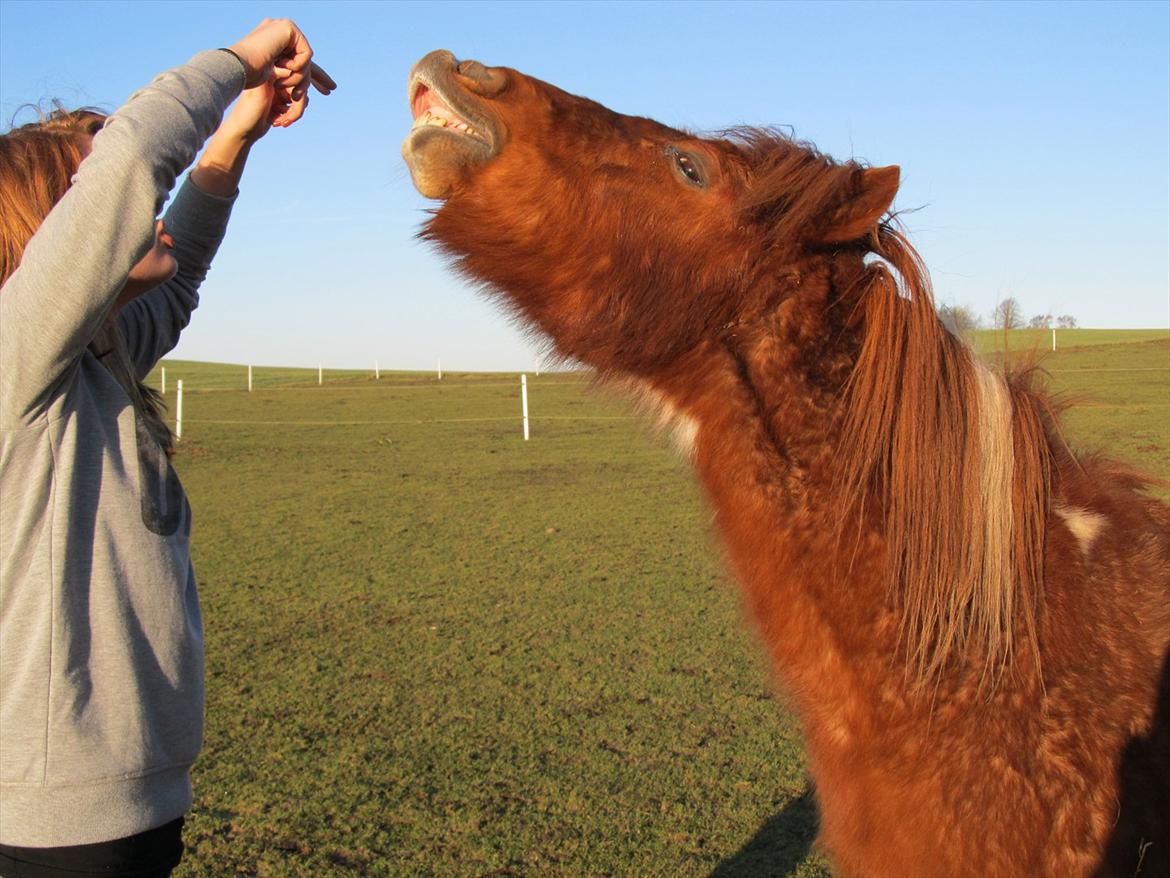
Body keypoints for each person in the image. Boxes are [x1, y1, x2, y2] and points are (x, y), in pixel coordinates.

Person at [0, 20, 335, 877]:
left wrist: (236, 134)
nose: (146, 204)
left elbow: (180, 275)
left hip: (127, 798)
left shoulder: (92, 357)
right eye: (103, 196)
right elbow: (134, 159)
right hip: (52, 824)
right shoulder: (14, 356)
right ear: (56, 232)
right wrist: (242, 58)